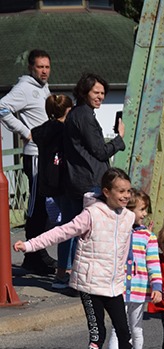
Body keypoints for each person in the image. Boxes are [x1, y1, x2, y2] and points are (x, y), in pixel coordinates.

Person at [14, 168, 150, 349]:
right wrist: (29, 246)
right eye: (120, 191)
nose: (126, 196)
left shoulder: (128, 217)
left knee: (124, 332)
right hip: (89, 284)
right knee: (98, 335)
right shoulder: (91, 214)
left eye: (128, 191)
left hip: (114, 285)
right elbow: (61, 232)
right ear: (106, 192)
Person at [0, 49, 55, 274]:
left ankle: (39, 253)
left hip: (47, 153)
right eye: (40, 67)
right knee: (35, 205)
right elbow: (2, 107)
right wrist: (25, 131)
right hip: (34, 153)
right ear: (31, 67)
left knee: (44, 205)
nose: (44, 71)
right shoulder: (24, 88)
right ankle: (32, 257)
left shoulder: (43, 88)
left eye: (47, 67)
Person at [62, 73, 126, 253]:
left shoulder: (76, 113)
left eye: (103, 93)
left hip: (77, 178)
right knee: (88, 230)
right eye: (96, 92)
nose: (100, 97)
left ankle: (64, 271)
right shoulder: (85, 116)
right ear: (85, 92)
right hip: (89, 179)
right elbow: (100, 151)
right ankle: (73, 271)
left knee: (72, 227)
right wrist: (119, 138)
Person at [107, 189, 163, 349]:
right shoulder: (116, 231)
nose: (145, 213)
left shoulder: (149, 236)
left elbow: (153, 264)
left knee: (136, 329)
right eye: (142, 209)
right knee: (117, 329)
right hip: (118, 290)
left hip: (139, 290)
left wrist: (157, 286)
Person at [31, 94, 73, 289]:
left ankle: (62, 271)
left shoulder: (42, 131)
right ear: (68, 110)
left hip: (48, 184)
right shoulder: (65, 130)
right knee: (70, 228)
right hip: (65, 182)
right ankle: (65, 271)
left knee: (60, 227)